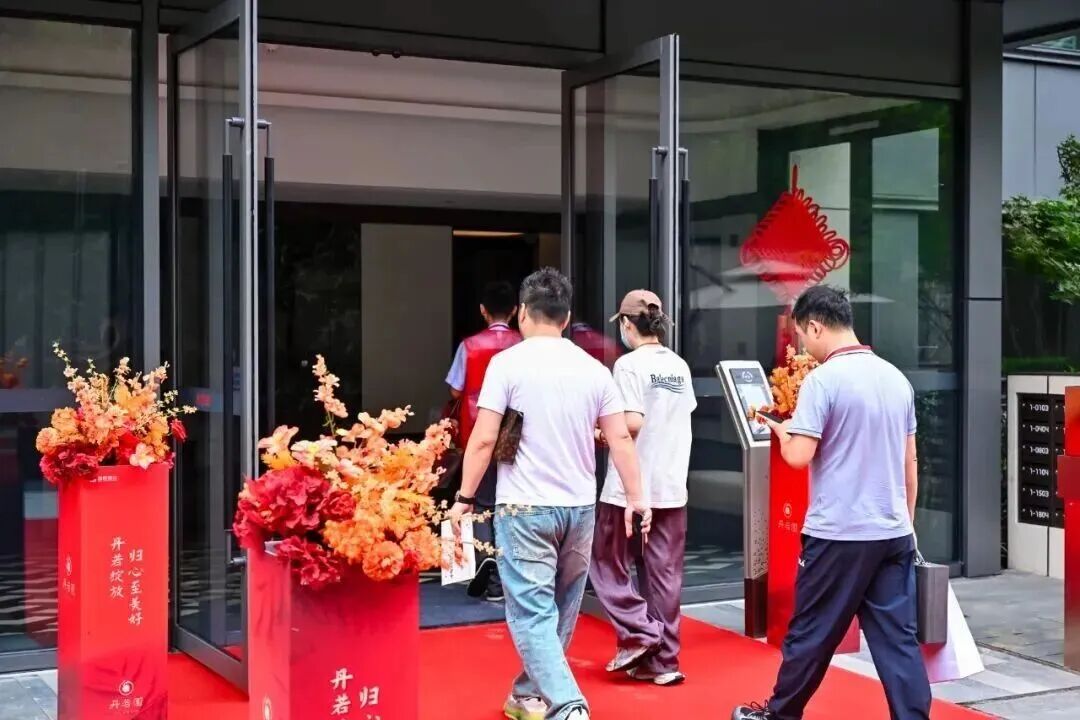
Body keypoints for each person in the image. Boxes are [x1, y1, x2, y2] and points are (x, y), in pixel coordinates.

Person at [449, 268, 651, 720]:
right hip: (579, 507)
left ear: (522, 312)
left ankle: (568, 706)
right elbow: (620, 438)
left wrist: (464, 497)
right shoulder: (594, 369)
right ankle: (527, 695)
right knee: (559, 607)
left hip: (524, 506)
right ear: (567, 317)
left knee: (530, 612)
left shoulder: (508, 364)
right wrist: (638, 499)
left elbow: (483, 439)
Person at [732, 285, 930, 720]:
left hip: (839, 534)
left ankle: (781, 715)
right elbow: (910, 463)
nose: (804, 346)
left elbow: (798, 456)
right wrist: (906, 525)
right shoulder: (895, 379)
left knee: (811, 633)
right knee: (898, 641)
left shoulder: (824, 380)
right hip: (892, 531)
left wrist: (780, 430)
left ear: (816, 326)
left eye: (803, 335)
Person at [589, 290, 696, 686]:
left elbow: (632, 421)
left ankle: (641, 633)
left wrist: (601, 431)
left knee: (606, 563)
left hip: (629, 488)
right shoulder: (679, 365)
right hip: (671, 483)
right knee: (663, 575)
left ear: (626, 324)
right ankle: (664, 662)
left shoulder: (628, 365)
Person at [445, 280, 522, 602]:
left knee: (479, 501)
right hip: (518, 434)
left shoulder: (470, 346)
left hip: (478, 431)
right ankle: (510, 576)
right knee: (515, 502)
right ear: (516, 311)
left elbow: (455, 390)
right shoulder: (524, 344)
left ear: (482, 311)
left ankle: (488, 572)